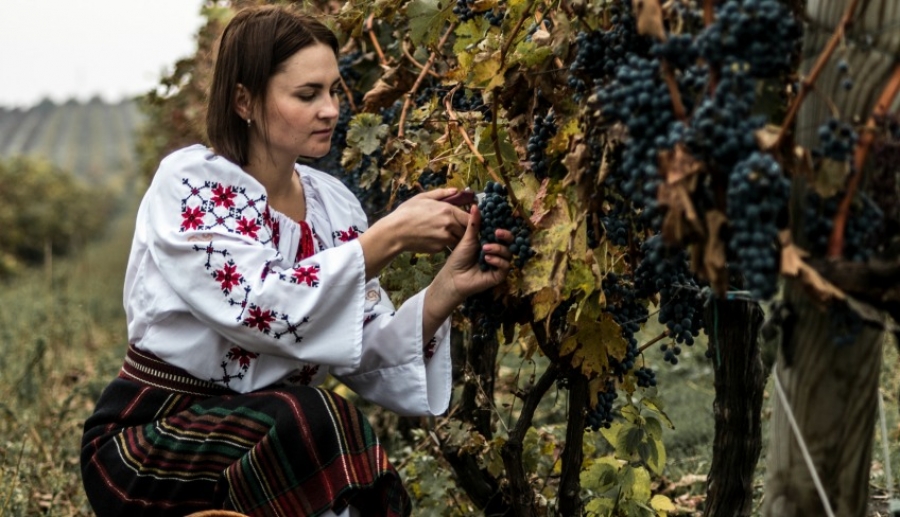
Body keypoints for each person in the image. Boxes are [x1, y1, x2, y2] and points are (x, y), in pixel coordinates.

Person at [80, 5, 513, 517]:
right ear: (244, 99)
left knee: (313, 426)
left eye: (333, 90)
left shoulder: (333, 205)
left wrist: (449, 287)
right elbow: (259, 306)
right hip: (155, 439)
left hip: (272, 436)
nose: (330, 109)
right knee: (314, 418)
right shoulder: (194, 185)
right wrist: (388, 237)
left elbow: (365, 343)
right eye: (307, 95)